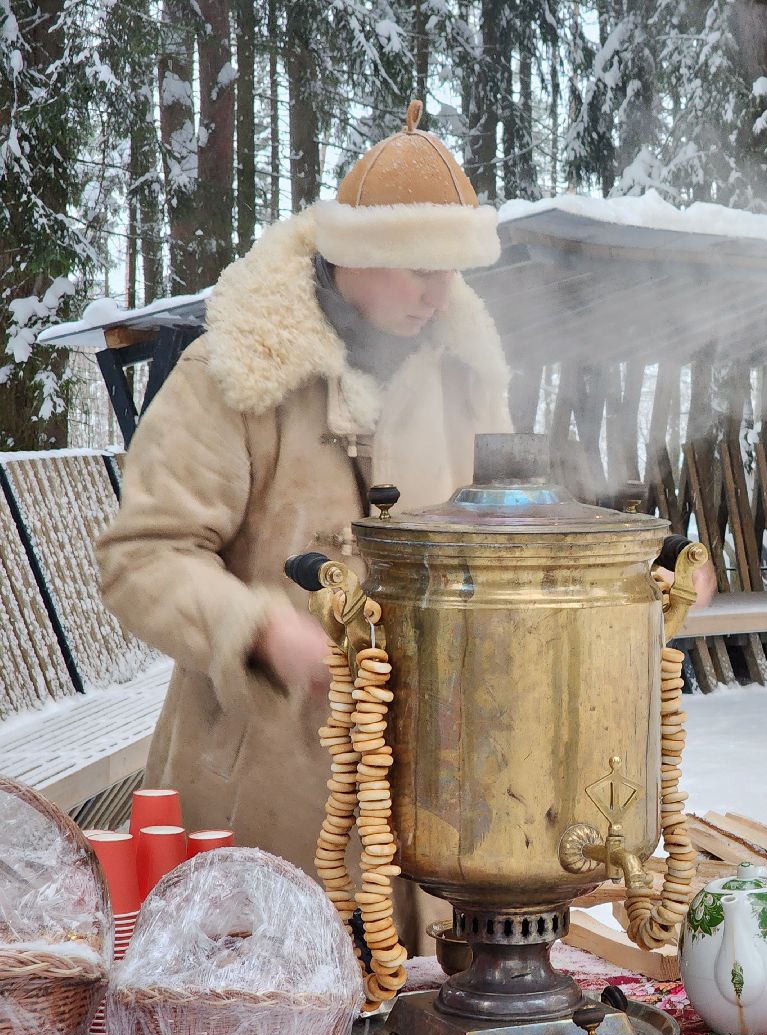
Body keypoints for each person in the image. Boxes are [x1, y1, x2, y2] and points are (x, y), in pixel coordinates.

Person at [96, 101, 712, 953]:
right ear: (356, 253)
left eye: (453, 269)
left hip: (425, 807)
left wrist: (645, 575)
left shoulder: (463, 378)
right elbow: (142, 559)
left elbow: (510, 543)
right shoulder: (231, 371)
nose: (439, 292)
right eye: (419, 267)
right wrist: (258, 626)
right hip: (256, 801)